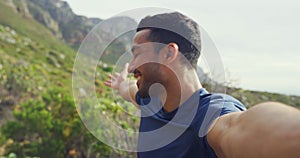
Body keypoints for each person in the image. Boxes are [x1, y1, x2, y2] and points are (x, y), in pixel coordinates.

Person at [104, 12, 300, 158]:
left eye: (137, 53)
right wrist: (121, 83)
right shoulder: (149, 100)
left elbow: (239, 128)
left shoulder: (210, 115)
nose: (131, 67)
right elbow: (128, 90)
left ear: (167, 53)